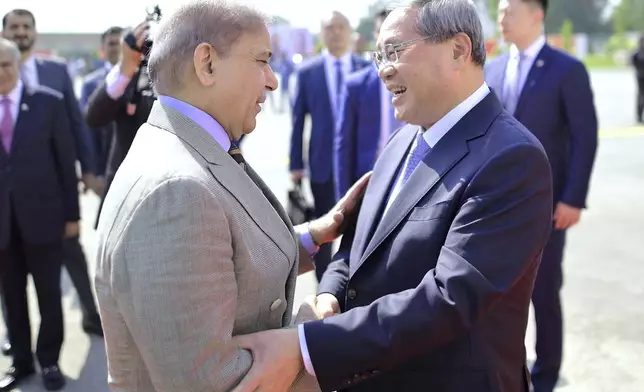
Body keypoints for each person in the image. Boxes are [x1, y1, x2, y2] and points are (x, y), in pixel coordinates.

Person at [225, 1, 554, 392]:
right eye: (379, 55)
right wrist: (330, 296)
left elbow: (450, 299)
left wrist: (306, 344)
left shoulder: (511, 158)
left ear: (459, 50)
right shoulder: (403, 142)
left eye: (396, 51)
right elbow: (358, 249)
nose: (382, 70)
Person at [93, 2, 368, 391]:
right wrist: (314, 329)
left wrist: (313, 236)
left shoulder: (184, 144)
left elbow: (223, 257)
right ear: (207, 63)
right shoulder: (177, 193)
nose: (273, 80)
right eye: (262, 60)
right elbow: (213, 382)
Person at [485, 1, 598, 391]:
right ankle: (508, 367)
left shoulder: (568, 70)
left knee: (544, 290)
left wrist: (573, 198)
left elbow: (585, 138)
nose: (501, 17)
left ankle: (547, 374)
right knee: (498, 293)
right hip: (498, 206)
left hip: (549, 206)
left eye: (509, 9)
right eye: (498, 10)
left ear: (537, 14)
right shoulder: (493, 69)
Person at [3, 8, 104, 340]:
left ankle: (91, 315)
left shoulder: (56, 72)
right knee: (11, 274)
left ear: (34, 31)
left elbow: (75, 124)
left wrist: (87, 170)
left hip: (51, 193)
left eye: (25, 26)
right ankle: (14, 338)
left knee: (70, 253)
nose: (20, 32)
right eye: (13, 27)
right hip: (10, 201)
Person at [0, 38, 77, 391]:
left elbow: (65, 164)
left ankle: (49, 362)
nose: (0, 72)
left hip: (44, 219)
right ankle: (21, 363)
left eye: (5, 64)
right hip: (3, 227)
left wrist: (72, 216)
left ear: (18, 65)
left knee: (48, 297)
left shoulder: (48, 103)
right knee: (11, 298)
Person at [289, 11, 371, 282]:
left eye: (340, 27)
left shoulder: (366, 70)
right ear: (322, 34)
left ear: (350, 32)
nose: (335, 33)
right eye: (329, 28)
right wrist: (296, 164)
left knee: (361, 227)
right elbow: (298, 121)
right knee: (323, 228)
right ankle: (325, 288)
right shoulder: (307, 73)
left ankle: (356, 284)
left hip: (360, 164)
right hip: (321, 165)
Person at [334, 9, 404, 200]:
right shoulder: (356, 85)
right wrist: (343, 199)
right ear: (375, 36)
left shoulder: (419, 79)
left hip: (411, 178)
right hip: (369, 181)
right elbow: (344, 144)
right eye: (382, 31)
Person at [632, 35, 644, 123]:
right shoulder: (637, 53)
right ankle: (639, 116)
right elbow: (634, 63)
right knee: (641, 96)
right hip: (640, 77)